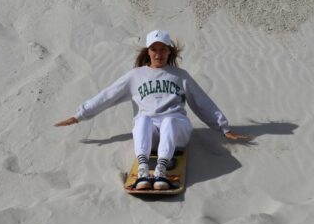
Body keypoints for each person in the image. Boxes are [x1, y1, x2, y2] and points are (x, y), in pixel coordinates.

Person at [55, 29, 249, 190]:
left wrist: (223, 127)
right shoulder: (135, 76)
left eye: (163, 49)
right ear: (147, 51)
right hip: (149, 135)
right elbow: (108, 95)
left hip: (176, 132)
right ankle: (142, 171)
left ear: (169, 51)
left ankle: (161, 171)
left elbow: (201, 101)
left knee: (170, 120)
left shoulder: (180, 75)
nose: (158, 54)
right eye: (154, 49)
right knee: (142, 120)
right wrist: (80, 115)